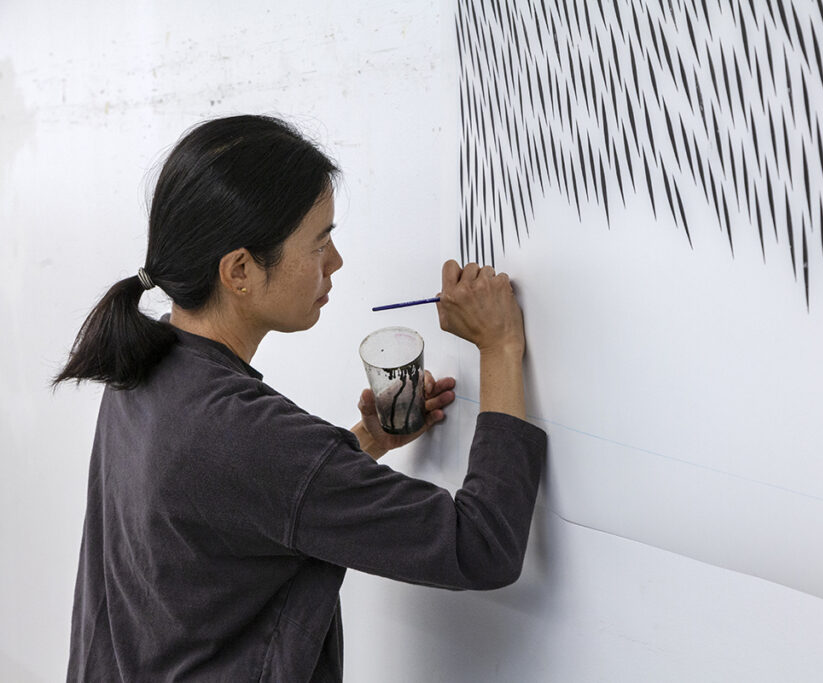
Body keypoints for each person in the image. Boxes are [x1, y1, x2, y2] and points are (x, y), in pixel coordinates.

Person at [54, 115, 546, 681]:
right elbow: (482, 546)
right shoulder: (248, 434)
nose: (334, 262)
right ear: (239, 270)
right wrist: (501, 346)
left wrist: (364, 443)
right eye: (320, 242)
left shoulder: (145, 367)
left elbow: (238, 503)